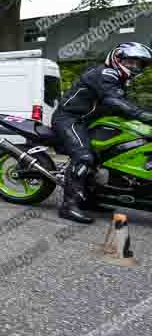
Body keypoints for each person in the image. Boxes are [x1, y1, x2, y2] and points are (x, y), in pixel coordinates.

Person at [52, 42, 152, 223]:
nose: (135, 67)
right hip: (70, 119)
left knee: (106, 155)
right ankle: (69, 206)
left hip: (89, 122)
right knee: (84, 157)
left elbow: (121, 107)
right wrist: (144, 116)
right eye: (131, 62)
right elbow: (114, 101)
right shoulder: (105, 73)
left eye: (139, 64)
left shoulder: (119, 79)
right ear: (117, 58)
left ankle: (90, 199)